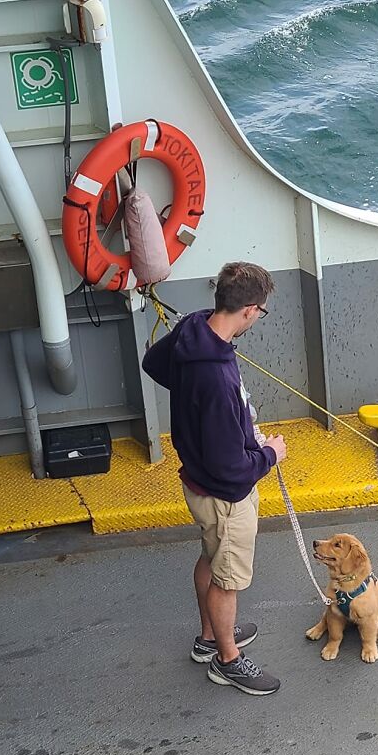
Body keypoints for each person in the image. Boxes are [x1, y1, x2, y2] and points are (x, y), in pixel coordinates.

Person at [142, 262, 286, 695]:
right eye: (262, 312)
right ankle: (228, 660)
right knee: (228, 579)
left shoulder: (194, 329)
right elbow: (233, 469)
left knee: (211, 554)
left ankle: (210, 638)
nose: (259, 318)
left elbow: (154, 362)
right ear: (249, 310)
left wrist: (206, 414)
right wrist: (269, 453)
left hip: (197, 479)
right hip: (225, 494)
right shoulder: (218, 377)